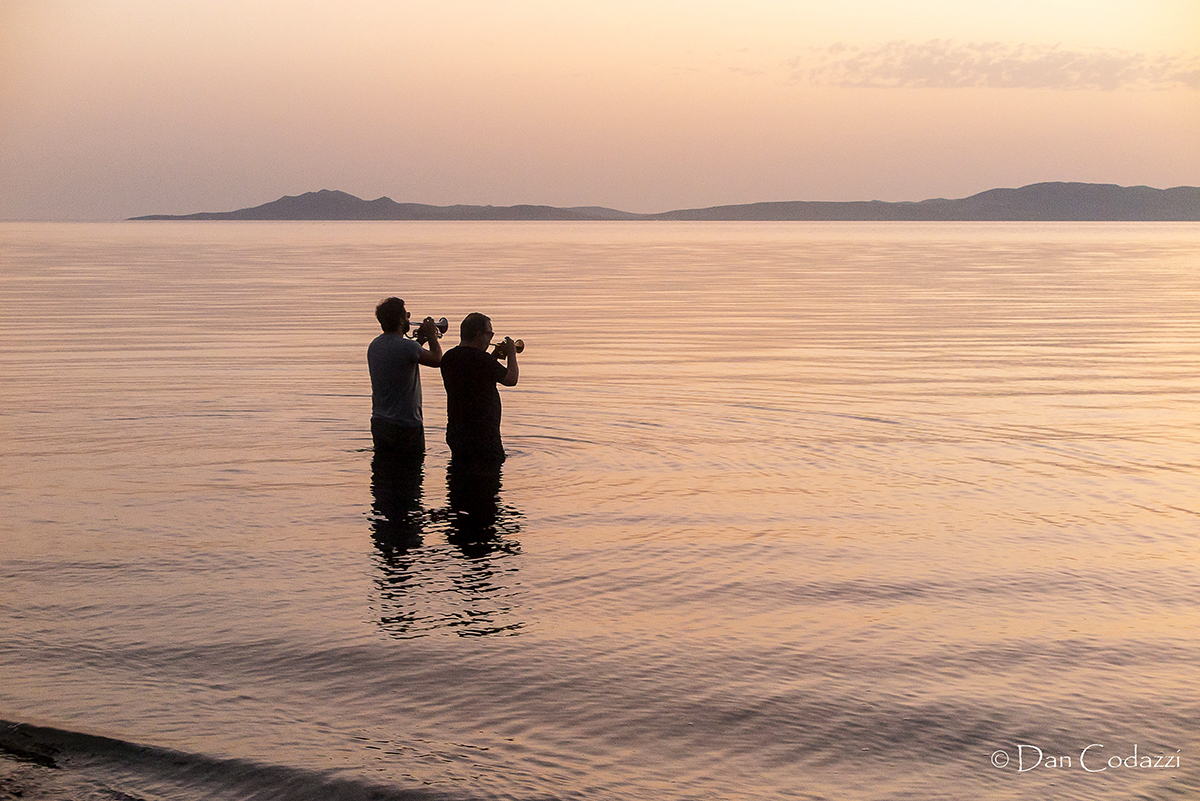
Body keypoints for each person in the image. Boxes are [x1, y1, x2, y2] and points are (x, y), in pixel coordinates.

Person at [367, 297, 442, 457]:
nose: (409, 317)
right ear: (401, 320)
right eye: (407, 315)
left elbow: (401, 359)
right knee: (411, 475)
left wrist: (420, 341)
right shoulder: (407, 347)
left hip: (380, 422)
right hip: (406, 425)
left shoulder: (375, 345)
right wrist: (431, 335)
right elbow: (437, 360)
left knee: (383, 474)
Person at [439, 312, 519, 464]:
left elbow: (475, 374)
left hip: (457, 432)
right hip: (483, 435)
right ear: (478, 334)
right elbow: (511, 379)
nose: (491, 338)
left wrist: (493, 356)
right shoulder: (482, 360)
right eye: (489, 333)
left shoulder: (449, 357)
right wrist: (512, 354)